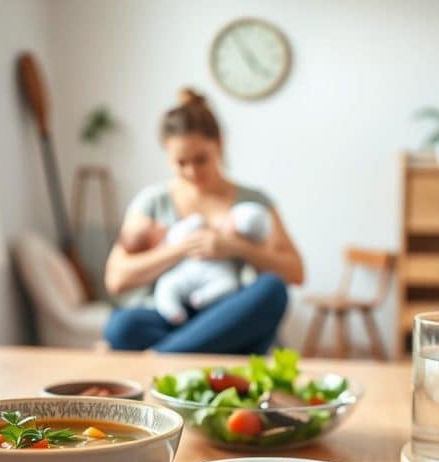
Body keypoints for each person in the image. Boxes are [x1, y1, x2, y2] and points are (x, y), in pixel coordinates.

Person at [103, 88, 304, 354]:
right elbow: (116, 278)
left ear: (219, 144)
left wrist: (235, 247)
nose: (192, 171)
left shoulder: (254, 200)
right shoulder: (152, 201)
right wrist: (183, 248)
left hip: (226, 311)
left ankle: (161, 358)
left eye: (201, 159)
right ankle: (194, 347)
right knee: (121, 326)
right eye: (181, 162)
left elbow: (296, 272)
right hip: (169, 314)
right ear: (167, 154)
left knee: (273, 290)